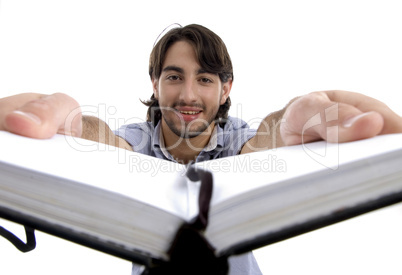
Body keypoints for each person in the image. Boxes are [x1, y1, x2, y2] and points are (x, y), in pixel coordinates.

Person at [0, 24, 401, 274]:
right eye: (174, 76)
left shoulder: (237, 139)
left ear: (226, 89)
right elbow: (108, 143)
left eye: (205, 79)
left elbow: (263, 142)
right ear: (155, 83)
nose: (188, 94)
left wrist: (289, 118)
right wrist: (72, 131)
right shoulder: (136, 140)